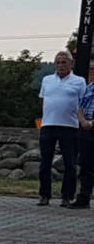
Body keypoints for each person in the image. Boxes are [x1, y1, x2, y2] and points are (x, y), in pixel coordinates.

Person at [37, 50, 87, 207]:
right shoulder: (47, 80)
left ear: (71, 64)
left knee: (69, 163)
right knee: (45, 161)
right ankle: (44, 195)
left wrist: (83, 121)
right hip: (48, 124)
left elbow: (82, 104)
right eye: (58, 62)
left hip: (69, 126)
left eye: (64, 62)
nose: (60, 66)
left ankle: (67, 196)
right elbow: (44, 100)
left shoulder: (79, 81)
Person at [73, 79, 94, 209]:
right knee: (86, 164)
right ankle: (83, 198)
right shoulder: (89, 88)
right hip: (86, 130)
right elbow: (79, 107)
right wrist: (83, 121)